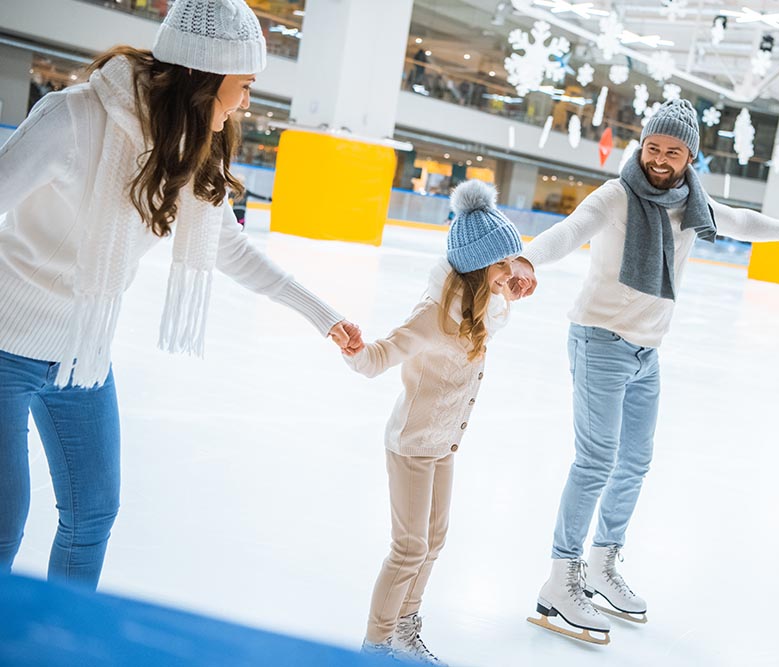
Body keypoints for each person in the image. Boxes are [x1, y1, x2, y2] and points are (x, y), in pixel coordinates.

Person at [0, 0, 362, 591]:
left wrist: (322, 315)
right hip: (4, 345)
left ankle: (63, 647)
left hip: (80, 353)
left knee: (92, 514)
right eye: (242, 86)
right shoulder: (73, 118)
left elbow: (230, 249)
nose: (246, 101)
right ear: (202, 77)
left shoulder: (188, 149)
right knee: (1, 526)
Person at [509, 99, 779, 644]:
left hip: (646, 352)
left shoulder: (691, 203)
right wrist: (526, 259)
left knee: (633, 462)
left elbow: (742, 222)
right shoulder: (616, 196)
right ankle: (561, 579)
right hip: (600, 341)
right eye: (653, 148)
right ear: (643, 147)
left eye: (672, 151)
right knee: (596, 462)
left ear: (689, 157)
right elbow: (571, 229)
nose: (659, 159)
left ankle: (604, 564)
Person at [346, 180, 522, 665]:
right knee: (409, 547)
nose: (510, 272)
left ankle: (405, 628)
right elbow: (380, 355)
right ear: (475, 265)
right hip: (411, 445)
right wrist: (356, 349)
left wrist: (512, 277)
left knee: (434, 541)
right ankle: (376, 644)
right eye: (501, 263)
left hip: (444, 444)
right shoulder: (433, 313)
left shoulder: (481, 308)